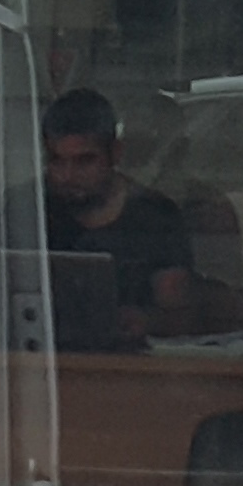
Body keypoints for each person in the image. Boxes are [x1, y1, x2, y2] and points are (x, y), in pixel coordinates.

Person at [42, 88, 201, 350]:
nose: (68, 175)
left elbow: (180, 315)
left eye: (84, 161)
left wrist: (147, 322)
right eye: (57, 161)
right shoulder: (21, 212)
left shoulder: (156, 217)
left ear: (115, 153)